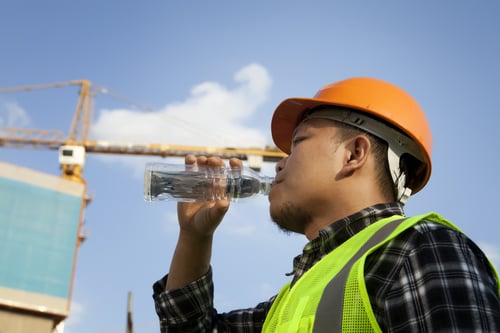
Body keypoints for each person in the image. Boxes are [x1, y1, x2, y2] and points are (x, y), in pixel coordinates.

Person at [152, 77, 500, 332]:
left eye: (299, 143)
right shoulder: (294, 301)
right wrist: (194, 238)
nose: (279, 164)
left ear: (354, 154)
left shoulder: (418, 249)